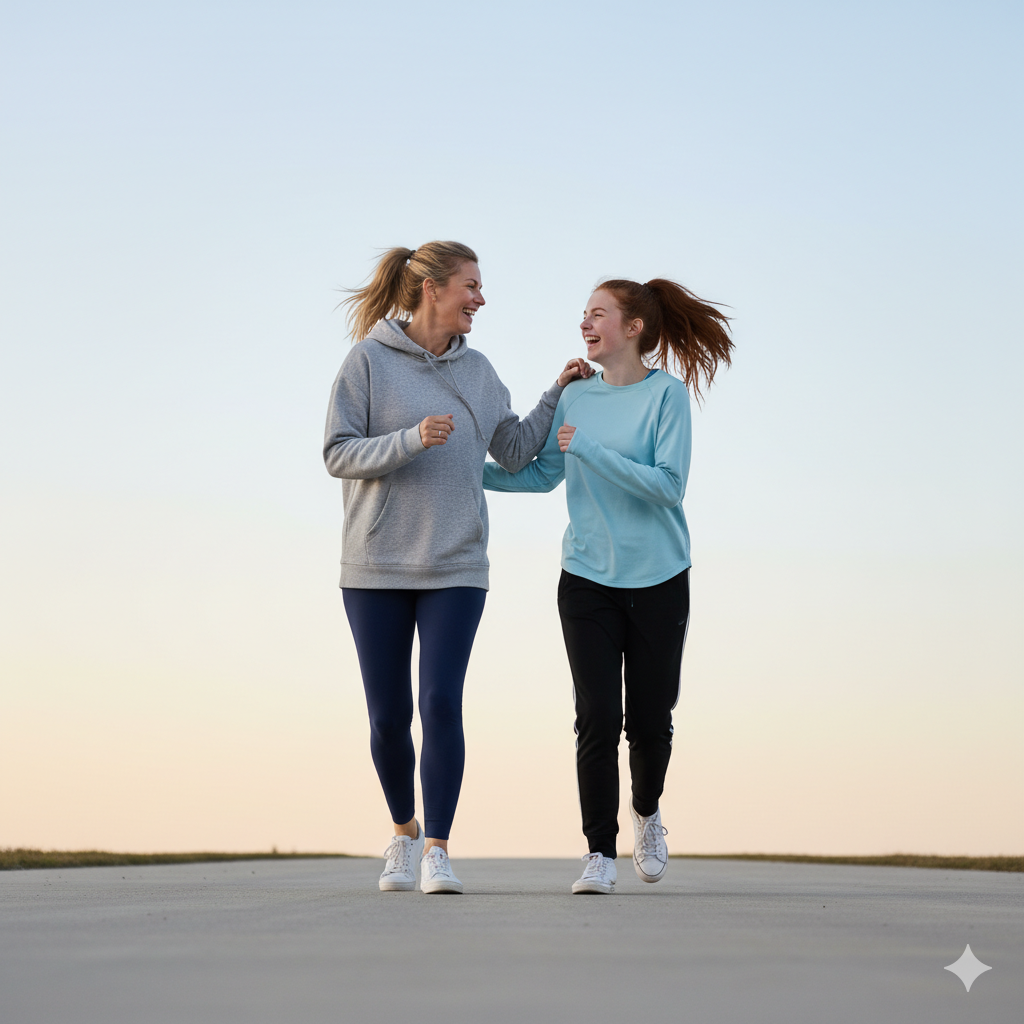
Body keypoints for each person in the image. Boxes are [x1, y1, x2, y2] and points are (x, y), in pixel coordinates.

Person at [324, 241, 591, 895]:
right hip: (376, 564)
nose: (479, 298)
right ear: (432, 289)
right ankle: (404, 834)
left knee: (440, 701)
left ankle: (439, 847)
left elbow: (517, 449)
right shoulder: (366, 363)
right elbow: (337, 452)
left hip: (456, 564)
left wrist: (557, 392)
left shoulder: (479, 373)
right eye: (470, 286)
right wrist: (411, 439)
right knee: (387, 716)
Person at [483, 277, 732, 894]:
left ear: (633, 328)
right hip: (587, 577)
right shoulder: (576, 397)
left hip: (660, 577)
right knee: (595, 715)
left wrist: (591, 452)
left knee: (650, 720)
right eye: (583, 316)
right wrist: (463, 474)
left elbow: (668, 486)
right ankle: (599, 850)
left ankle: (645, 813)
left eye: (598, 315)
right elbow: (542, 477)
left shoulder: (667, 397)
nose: (585, 325)